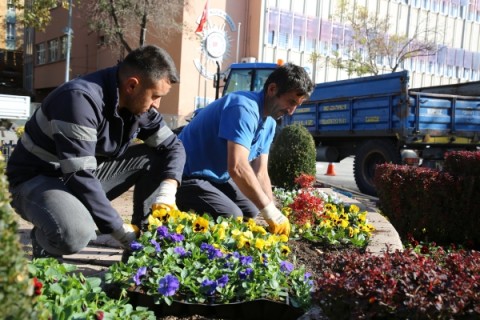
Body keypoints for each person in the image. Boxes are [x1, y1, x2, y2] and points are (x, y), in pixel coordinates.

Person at [6, 45, 186, 259]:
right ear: (132, 85)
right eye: (155, 96)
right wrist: (118, 229)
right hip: (35, 179)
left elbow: (173, 147)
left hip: (76, 176)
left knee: (155, 156)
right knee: (75, 232)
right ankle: (46, 239)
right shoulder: (79, 100)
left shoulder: (138, 105)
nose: (157, 105)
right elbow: (79, 174)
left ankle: (142, 247)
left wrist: (168, 189)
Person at [176, 63, 314, 236]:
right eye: (291, 101)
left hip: (215, 178)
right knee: (232, 216)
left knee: (251, 210)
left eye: (297, 105)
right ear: (272, 89)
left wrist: (272, 211)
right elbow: (238, 167)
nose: (292, 111)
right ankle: (182, 215)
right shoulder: (243, 108)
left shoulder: (269, 123)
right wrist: (269, 211)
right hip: (187, 175)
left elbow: (260, 171)